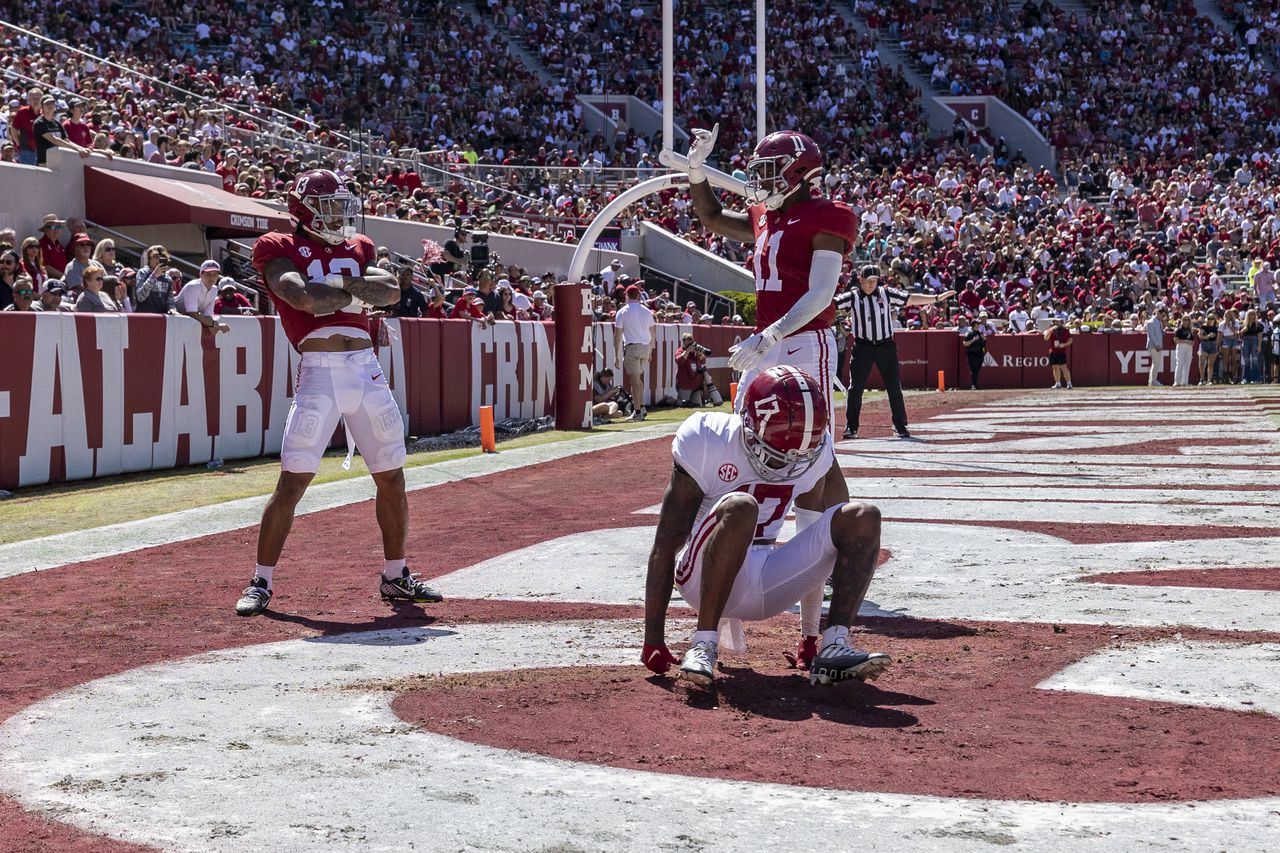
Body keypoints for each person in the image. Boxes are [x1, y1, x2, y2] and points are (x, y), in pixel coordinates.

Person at [235, 169, 441, 617]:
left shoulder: (358, 247)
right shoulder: (278, 246)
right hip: (320, 372)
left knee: (393, 476)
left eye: (341, 205)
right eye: (328, 206)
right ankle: (261, 580)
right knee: (292, 481)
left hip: (367, 369)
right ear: (304, 209)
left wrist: (336, 288)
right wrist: (352, 291)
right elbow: (303, 299)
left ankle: (396, 574)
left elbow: (388, 291)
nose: (338, 215)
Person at [641, 366, 892, 688]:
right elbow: (666, 544)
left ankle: (835, 645)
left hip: (769, 581)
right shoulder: (708, 439)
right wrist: (653, 638)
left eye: (798, 458)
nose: (787, 464)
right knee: (742, 506)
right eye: (775, 456)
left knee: (862, 516)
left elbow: (813, 534)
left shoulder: (815, 449)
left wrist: (810, 635)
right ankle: (702, 644)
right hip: (700, 578)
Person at [843, 265, 954, 437]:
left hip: (885, 346)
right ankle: (851, 427)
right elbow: (832, 303)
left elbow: (910, 299)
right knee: (855, 388)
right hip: (862, 347)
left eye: (875, 281)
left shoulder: (885, 293)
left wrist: (936, 298)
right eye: (868, 281)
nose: (872, 284)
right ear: (861, 280)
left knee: (894, 387)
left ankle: (900, 425)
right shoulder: (853, 297)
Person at [613, 283, 655, 421]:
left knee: (635, 382)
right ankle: (641, 407)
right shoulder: (646, 310)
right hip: (645, 347)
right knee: (638, 381)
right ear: (638, 295)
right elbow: (652, 332)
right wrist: (650, 350)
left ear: (626, 295)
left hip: (632, 347)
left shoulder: (622, 312)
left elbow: (617, 335)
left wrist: (616, 355)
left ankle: (637, 411)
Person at [178, 260, 231, 334]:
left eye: (215, 274)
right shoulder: (193, 286)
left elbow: (207, 314)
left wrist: (212, 325)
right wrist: (214, 325)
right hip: (174, 320)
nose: (212, 277)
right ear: (200, 274)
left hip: (184, 322)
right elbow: (192, 313)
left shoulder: (214, 289)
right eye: (208, 274)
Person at [134, 245, 176, 314]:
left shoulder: (168, 279)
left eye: (162, 257)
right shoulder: (143, 273)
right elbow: (140, 297)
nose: (158, 260)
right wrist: (154, 276)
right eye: (156, 257)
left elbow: (170, 301)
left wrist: (172, 309)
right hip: (143, 317)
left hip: (161, 319)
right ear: (149, 259)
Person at [1045, 317, 1074, 389]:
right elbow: (1046, 338)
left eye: (1059, 322)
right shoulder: (1051, 330)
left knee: (1063, 367)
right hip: (1053, 351)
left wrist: (1063, 345)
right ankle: (1057, 383)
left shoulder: (1065, 331)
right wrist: (1051, 330)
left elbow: (1070, 340)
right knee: (1055, 367)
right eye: (1056, 322)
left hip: (1061, 351)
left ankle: (1069, 383)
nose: (1057, 324)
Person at [963, 314, 989, 390]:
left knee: (977, 370)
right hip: (972, 354)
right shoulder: (969, 333)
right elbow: (965, 344)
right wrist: (973, 339)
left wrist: (983, 337)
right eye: (977, 324)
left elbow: (985, 340)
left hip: (980, 354)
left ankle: (975, 384)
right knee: (974, 370)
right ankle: (973, 384)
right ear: (974, 325)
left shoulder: (979, 333)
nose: (979, 325)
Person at [1146, 307, 1167, 387]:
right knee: (1156, 364)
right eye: (1162, 315)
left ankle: (1152, 381)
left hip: (1158, 345)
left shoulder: (1159, 322)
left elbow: (1161, 333)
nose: (1163, 317)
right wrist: (1156, 345)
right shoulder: (1151, 322)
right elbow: (1151, 336)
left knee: (1156, 364)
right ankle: (1153, 381)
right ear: (1158, 313)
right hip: (1153, 346)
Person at [1198, 312, 1221, 386]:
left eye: (1212, 319)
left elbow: (1217, 338)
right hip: (1204, 343)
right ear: (1206, 319)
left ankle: (1209, 379)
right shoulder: (1203, 327)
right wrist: (1207, 336)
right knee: (1202, 362)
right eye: (1209, 318)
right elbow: (1200, 336)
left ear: (1214, 320)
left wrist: (1216, 347)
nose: (1210, 320)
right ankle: (1201, 379)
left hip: (1213, 344)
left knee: (1211, 364)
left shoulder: (1216, 328)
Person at [1173, 315, 1195, 386]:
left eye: (1187, 320)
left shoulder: (1190, 330)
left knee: (1187, 364)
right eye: (1184, 319)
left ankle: (1185, 381)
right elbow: (1175, 340)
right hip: (1181, 346)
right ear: (1182, 320)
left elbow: (1193, 340)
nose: (1186, 321)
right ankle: (1177, 381)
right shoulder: (1179, 329)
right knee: (1180, 363)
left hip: (1189, 347)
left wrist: (1191, 342)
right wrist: (1185, 341)